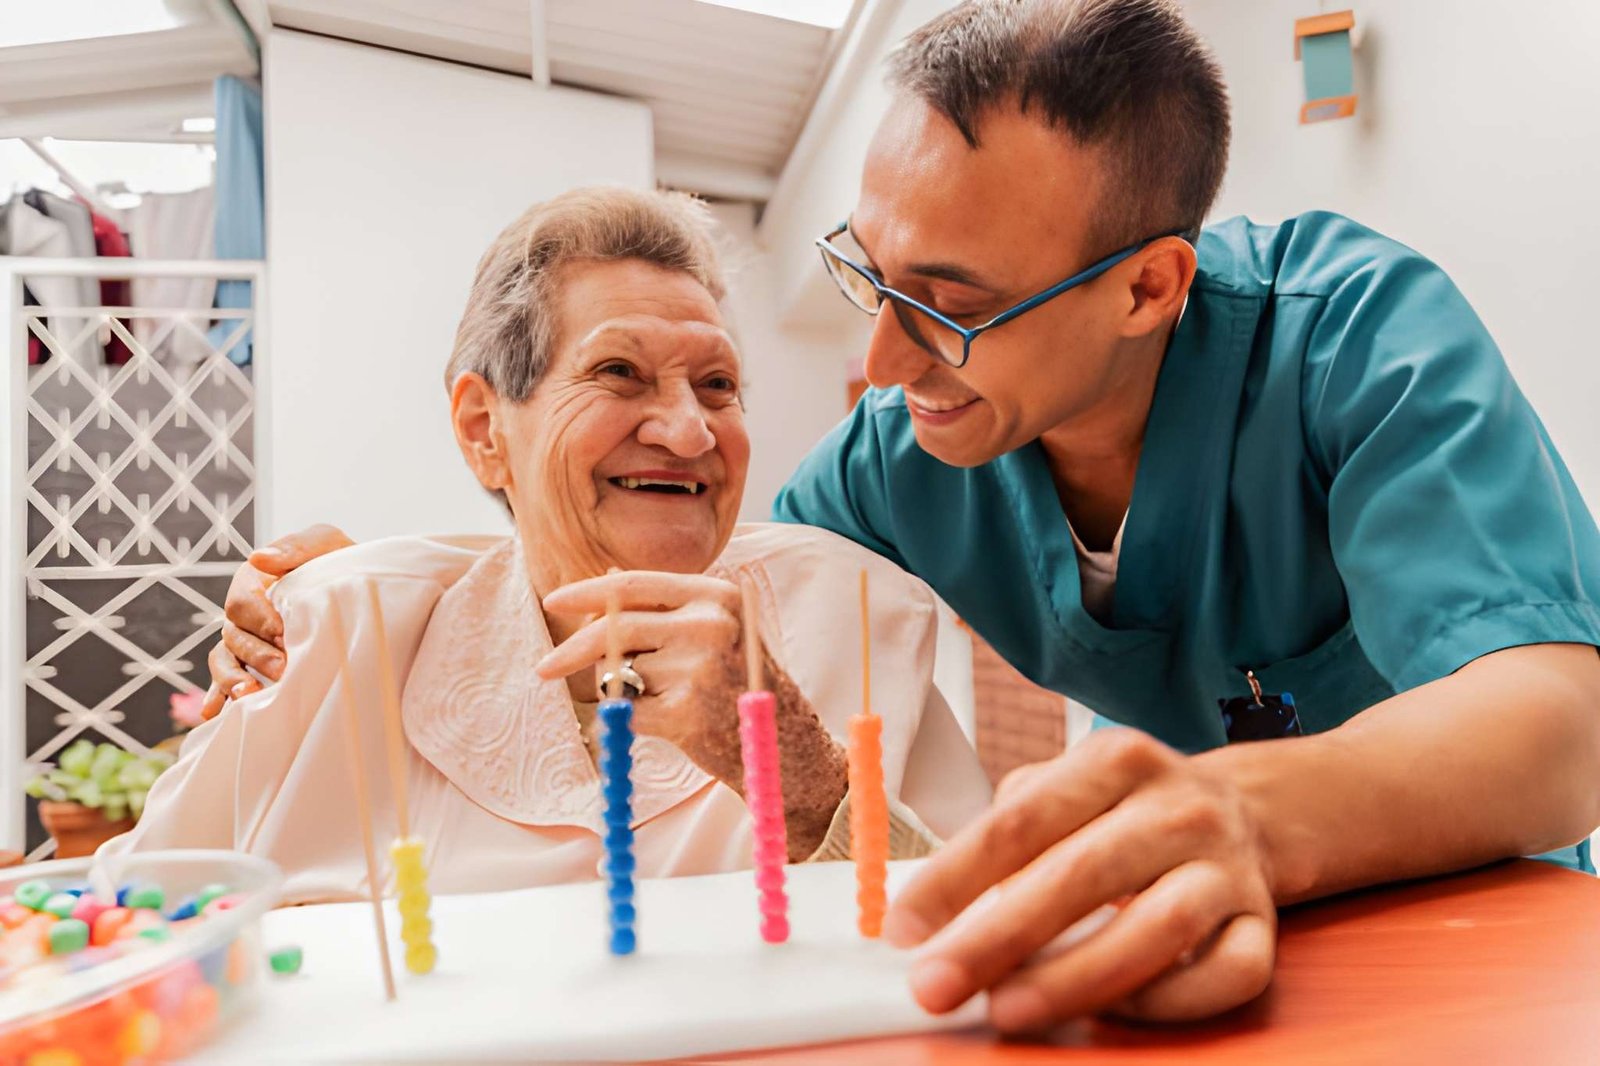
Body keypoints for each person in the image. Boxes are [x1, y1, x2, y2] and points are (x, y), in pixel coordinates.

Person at [209, 0, 1600, 1034]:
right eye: (866, 275)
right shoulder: (903, 455)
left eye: (954, 303)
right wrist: (386, 584)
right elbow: (701, 540)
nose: (875, 362)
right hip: (1180, 928)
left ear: (1147, 288)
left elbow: (1556, 728)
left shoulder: (1355, 335)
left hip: (1465, 914)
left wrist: (1228, 810)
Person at [106, 187, 991, 904]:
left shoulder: (855, 617)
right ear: (484, 427)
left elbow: (988, 933)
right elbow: (130, 924)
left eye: (718, 385)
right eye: (619, 373)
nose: (689, 431)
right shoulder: (340, 637)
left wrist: (803, 784)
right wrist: (330, 601)